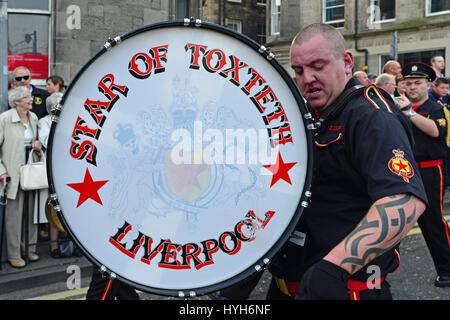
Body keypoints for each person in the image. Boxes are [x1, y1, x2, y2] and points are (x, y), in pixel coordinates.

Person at [286, 23, 427, 300]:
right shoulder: (304, 114)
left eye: (318, 65)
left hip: (347, 290)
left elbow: (405, 201)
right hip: (292, 285)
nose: (308, 78)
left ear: (347, 62)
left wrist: (333, 268)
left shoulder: (371, 115)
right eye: (299, 70)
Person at [394, 62, 450, 288]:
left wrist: (409, 112)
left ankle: (447, 269)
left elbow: (435, 130)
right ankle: (380, 271)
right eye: (408, 83)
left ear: (428, 84)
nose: (412, 87)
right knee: (393, 220)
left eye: (417, 83)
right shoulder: (395, 106)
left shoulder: (436, 107)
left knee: (432, 222)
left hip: (429, 170)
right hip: (404, 169)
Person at [0, 86, 43, 268]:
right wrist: (1, 171)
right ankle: (14, 253)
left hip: (30, 173)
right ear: (16, 101)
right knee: (14, 216)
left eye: (30, 96)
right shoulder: (5, 119)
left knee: (31, 213)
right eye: (27, 97)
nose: (31, 99)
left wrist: (38, 145)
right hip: (12, 174)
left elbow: (38, 141)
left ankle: (29, 248)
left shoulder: (33, 117)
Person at [37, 92, 63, 257]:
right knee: (54, 206)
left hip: (67, 170)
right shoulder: (44, 122)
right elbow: (48, 141)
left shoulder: (68, 120)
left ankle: (70, 245)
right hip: (53, 168)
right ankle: (54, 247)